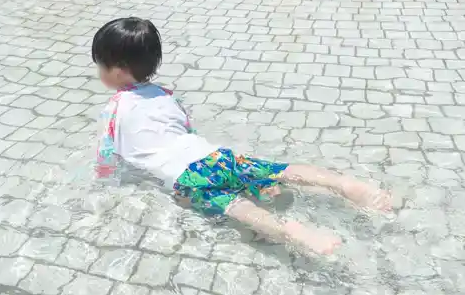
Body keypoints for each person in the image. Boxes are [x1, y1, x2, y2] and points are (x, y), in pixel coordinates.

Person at [92, 17, 392, 256]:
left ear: (117, 71)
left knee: (235, 206)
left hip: (185, 176)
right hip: (216, 156)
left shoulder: (116, 107)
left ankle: (290, 230)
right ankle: (343, 183)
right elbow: (187, 131)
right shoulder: (166, 95)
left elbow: (107, 152)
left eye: (100, 66)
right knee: (278, 170)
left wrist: (105, 182)